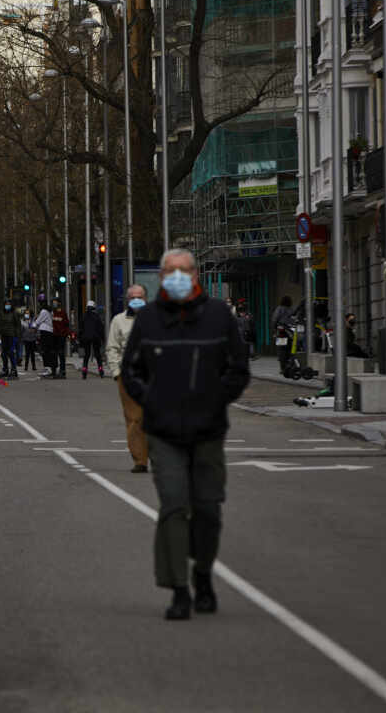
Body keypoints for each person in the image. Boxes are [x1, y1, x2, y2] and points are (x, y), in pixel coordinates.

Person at [121, 248, 249, 621]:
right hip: (164, 432)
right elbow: (131, 371)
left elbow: (238, 368)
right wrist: (152, 401)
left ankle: (203, 574)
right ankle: (178, 589)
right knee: (174, 506)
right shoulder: (148, 322)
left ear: (195, 275)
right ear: (161, 278)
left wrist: (216, 399)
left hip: (207, 430)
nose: (177, 277)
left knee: (208, 508)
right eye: (170, 271)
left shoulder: (217, 316)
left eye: (184, 271)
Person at [106, 284, 150, 473]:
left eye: (139, 296)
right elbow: (112, 348)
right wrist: (117, 372)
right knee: (135, 418)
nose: (136, 300)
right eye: (132, 297)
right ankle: (140, 459)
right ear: (127, 300)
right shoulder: (118, 321)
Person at [79, 300, 106, 379]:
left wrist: (81, 339)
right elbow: (100, 328)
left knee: (86, 355)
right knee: (97, 355)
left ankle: (84, 370)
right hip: (95, 337)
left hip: (86, 338)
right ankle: (100, 370)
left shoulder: (84, 317)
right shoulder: (97, 316)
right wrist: (103, 338)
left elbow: (81, 329)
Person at [271, 295, 296, 374]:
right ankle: (289, 365)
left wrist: (274, 329)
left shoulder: (279, 309)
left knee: (281, 350)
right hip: (290, 332)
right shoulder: (292, 309)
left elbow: (274, 319)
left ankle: (283, 368)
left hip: (281, 332)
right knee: (289, 349)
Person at [0, 302, 21, 379]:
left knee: (11, 353)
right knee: (3, 353)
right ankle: (5, 369)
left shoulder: (14, 313)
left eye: (9, 304)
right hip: (4, 335)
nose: (7, 306)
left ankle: (14, 370)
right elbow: (0, 325)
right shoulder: (2, 313)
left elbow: (18, 325)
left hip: (12, 335)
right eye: (6, 304)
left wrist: (17, 336)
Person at [49, 300, 70, 380]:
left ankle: (62, 371)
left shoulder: (63, 313)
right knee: (53, 353)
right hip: (54, 335)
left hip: (61, 336)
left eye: (55, 302)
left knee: (61, 353)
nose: (54, 304)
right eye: (53, 302)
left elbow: (66, 324)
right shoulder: (52, 313)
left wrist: (65, 334)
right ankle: (54, 370)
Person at [33, 305, 55, 377]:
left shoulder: (44, 312)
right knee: (48, 351)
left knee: (45, 351)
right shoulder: (50, 313)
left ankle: (48, 368)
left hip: (45, 333)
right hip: (49, 333)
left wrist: (33, 325)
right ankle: (50, 368)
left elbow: (37, 322)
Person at [21, 308, 39, 373]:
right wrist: (22, 337)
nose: (27, 314)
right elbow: (21, 330)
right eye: (26, 313)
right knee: (27, 353)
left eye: (28, 313)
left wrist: (36, 336)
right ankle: (26, 366)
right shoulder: (22, 321)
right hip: (26, 339)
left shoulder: (33, 320)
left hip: (32, 339)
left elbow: (36, 328)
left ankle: (34, 366)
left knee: (32, 353)